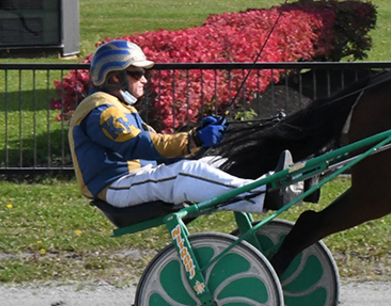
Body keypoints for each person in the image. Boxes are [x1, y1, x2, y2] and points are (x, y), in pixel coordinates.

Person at [69, 40, 295, 214]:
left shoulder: (118, 107)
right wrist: (194, 139)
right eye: (137, 73)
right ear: (115, 78)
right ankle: (266, 195)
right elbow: (141, 145)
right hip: (116, 186)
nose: (144, 79)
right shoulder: (101, 110)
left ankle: (280, 181)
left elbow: (159, 151)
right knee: (189, 173)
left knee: (212, 164)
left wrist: (197, 142)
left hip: (134, 179)